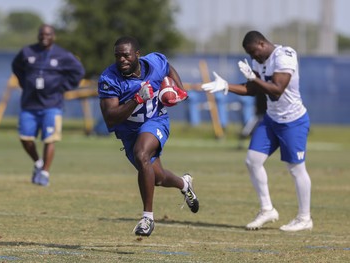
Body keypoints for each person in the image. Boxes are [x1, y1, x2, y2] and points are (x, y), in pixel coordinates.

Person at [202, 31, 312, 232]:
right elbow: (253, 89)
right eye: (250, 55)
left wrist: (254, 77)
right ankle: (267, 209)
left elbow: (277, 89)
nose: (254, 57)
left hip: (292, 121)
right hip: (271, 119)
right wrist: (227, 86)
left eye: (254, 52)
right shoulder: (259, 62)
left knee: (295, 169)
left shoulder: (284, 55)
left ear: (262, 44)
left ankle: (305, 218)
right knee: (252, 161)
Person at [98, 36, 199, 237]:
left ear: (137, 54)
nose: (121, 60)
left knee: (142, 154)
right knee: (157, 178)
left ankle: (147, 218)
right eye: (117, 56)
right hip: (129, 131)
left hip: (156, 121)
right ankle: (184, 183)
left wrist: (179, 89)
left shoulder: (154, 63)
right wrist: (136, 99)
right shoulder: (109, 79)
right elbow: (110, 118)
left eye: (126, 55)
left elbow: (167, 66)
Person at [12, 24, 85, 186]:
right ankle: (38, 163)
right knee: (25, 138)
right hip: (29, 104)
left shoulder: (63, 54)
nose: (45, 36)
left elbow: (78, 71)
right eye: (42, 34)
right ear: (38, 35)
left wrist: (63, 87)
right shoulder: (27, 52)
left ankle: (44, 173)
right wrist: (25, 83)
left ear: (54, 36)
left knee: (49, 139)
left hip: (52, 104)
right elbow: (16, 66)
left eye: (48, 34)